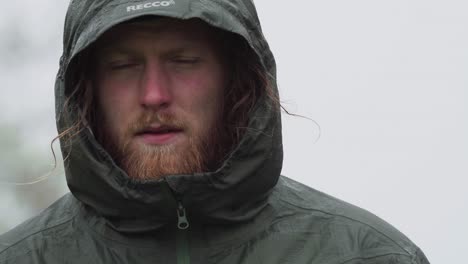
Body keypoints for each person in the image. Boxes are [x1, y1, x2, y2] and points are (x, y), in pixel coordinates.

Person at [0, 0, 430, 263]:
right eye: (124, 66)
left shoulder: (368, 255)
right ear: (86, 89)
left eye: (183, 61)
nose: (154, 95)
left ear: (236, 80)